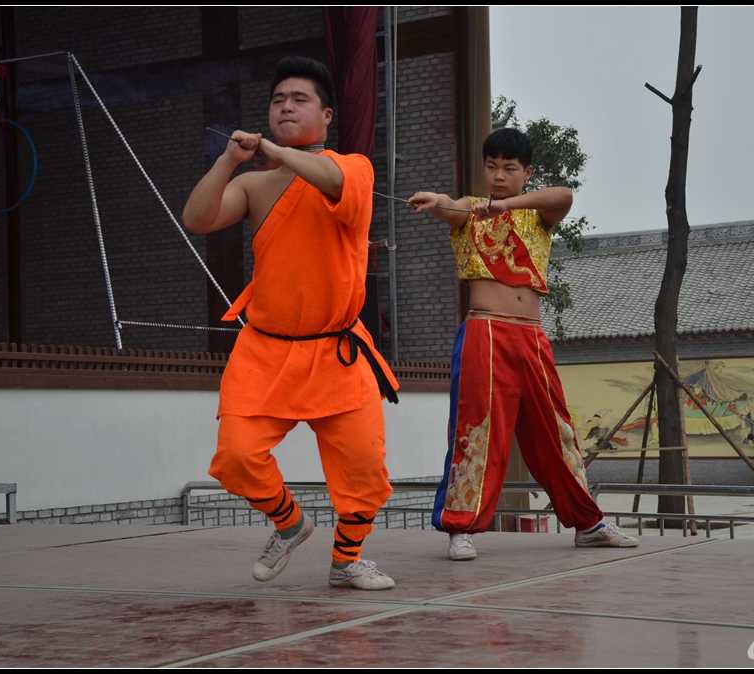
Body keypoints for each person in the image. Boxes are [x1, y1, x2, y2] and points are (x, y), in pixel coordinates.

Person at [184, 56, 398, 590]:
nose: (284, 107)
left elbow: (326, 177)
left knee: (365, 471)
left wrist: (278, 152)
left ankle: (347, 560)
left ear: (326, 116)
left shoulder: (352, 168)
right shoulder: (258, 186)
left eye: (298, 99)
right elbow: (199, 218)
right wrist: (228, 163)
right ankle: (290, 523)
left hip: (337, 353)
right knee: (235, 457)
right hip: (265, 350)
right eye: (278, 100)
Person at [408, 127, 639, 561]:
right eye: (491, 167)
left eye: (509, 168)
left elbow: (564, 195)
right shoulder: (471, 210)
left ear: (526, 172)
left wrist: (506, 206)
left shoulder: (537, 213)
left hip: (531, 337)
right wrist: (435, 200)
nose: (497, 175)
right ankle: (461, 527)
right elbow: (449, 208)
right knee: (477, 429)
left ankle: (587, 522)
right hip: (487, 331)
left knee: (557, 432)